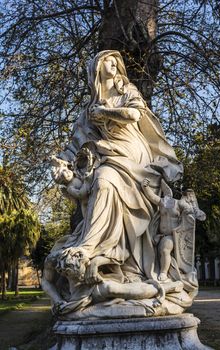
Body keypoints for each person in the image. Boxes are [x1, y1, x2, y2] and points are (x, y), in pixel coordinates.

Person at [44, 50, 184, 317]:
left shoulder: (127, 91)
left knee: (105, 178)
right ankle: (105, 252)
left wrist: (108, 111)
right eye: (106, 61)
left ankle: (90, 246)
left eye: (114, 61)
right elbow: (76, 144)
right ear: (96, 69)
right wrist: (61, 165)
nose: (113, 64)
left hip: (135, 155)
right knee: (102, 178)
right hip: (109, 154)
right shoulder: (88, 111)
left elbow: (134, 115)